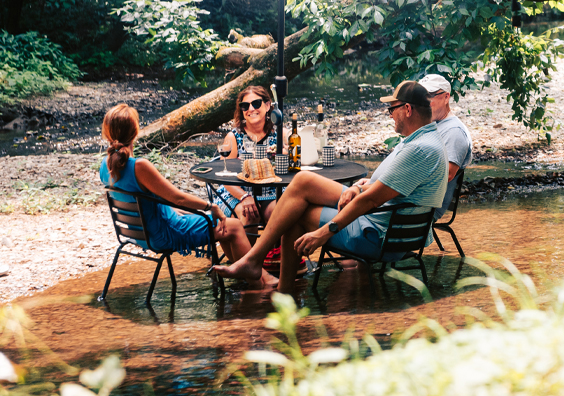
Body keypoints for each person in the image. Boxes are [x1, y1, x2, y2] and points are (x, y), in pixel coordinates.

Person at [214, 81, 449, 292]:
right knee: (300, 189)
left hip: (380, 236)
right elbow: (383, 187)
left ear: (407, 110)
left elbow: (372, 200)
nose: (390, 116)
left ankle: (269, 278)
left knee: (295, 207)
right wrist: (357, 187)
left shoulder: (419, 149)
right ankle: (269, 278)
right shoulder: (421, 141)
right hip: (387, 225)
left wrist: (323, 232)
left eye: (392, 110)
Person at [99, 104, 276, 288]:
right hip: (163, 234)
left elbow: (154, 202)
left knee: (225, 227)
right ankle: (259, 285)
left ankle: (248, 276)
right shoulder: (139, 166)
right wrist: (211, 207)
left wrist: (180, 211)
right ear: (135, 131)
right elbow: (178, 198)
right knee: (233, 225)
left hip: (138, 234)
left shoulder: (106, 165)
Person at [213, 86, 288, 240]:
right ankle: (248, 260)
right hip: (236, 193)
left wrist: (287, 154)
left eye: (256, 103)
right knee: (250, 214)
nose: (251, 109)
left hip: (271, 192)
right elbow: (225, 177)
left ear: (267, 106)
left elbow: (293, 166)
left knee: (281, 215)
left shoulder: (280, 134)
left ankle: (277, 259)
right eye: (245, 106)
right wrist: (244, 196)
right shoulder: (234, 137)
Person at [418, 74, 472, 220]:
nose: (423, 102)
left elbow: (447, 175)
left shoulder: (454, 131)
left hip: (424, 208)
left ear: (446, 97)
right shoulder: (433, 126)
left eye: (429, 96)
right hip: (413, 201)